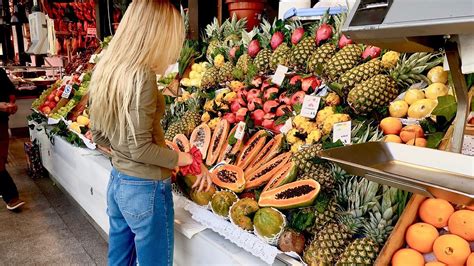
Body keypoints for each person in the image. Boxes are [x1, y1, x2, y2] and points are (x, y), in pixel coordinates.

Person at [88, 1, 211, 265]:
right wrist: (186, 159)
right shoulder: (142, 75)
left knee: (119, 260)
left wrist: (133, 149)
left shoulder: (109, 68)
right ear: (159, 33)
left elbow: (98, 135)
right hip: (146, 188)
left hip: (118, 181)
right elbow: (141, 149)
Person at [0, 67, 25, 211]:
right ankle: (11, 196)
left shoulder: (0, 72)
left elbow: (10, 90)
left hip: (1, 122)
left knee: (2, 157)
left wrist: (11, 103)